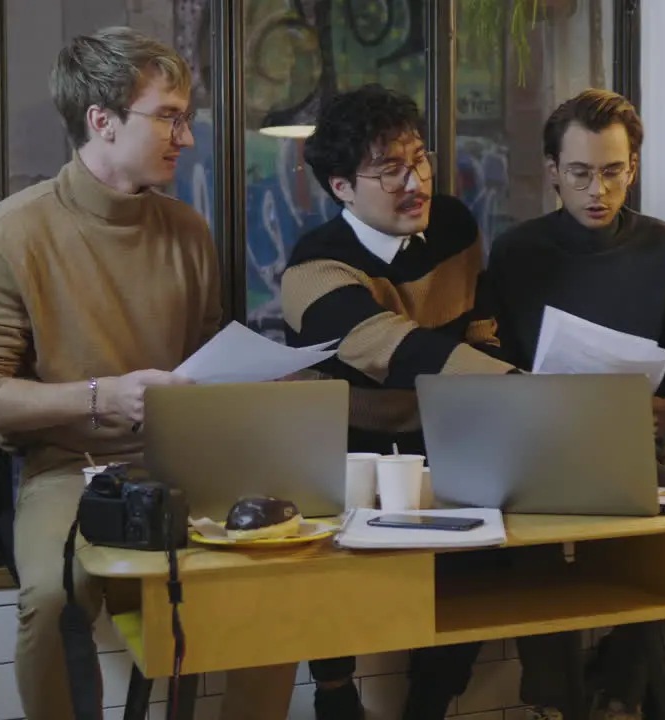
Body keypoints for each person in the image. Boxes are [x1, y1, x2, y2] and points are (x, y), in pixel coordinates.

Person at [0, 27, 296, 720]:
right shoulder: (8, 237)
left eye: (184, 118)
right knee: (51, 597)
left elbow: (204, 355)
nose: (186, 138)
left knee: (276, 574)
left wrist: (259, 388)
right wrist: (105, 396)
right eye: (168, 116)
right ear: (101, 121)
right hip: (71, 469)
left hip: (188, 459)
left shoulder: (188, 230)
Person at [281, 84, 518, 720]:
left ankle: (430, 706)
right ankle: (334, 694)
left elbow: (477, 323)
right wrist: (518, 385)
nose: (415, 181)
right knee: (326, 570)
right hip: (349, 451)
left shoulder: (454, 226)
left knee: (479, 573)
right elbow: (394, 346)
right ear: (341, 188)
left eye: (420, 159)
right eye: (389, 170)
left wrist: (502, 378)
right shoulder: (313, 268)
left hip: (446, 438)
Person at [485, 88, 665, 720]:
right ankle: (555, 702)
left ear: (632, 170)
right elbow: (486, 359)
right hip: (536, 452)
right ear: (554, 173)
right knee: (531, 540)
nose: (598, 191)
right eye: (582, 174)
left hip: (636, 446)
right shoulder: (516, 253)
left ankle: (622, 691)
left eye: (613, 173)